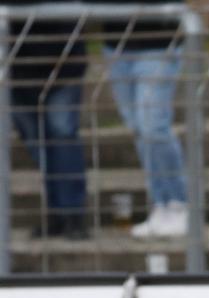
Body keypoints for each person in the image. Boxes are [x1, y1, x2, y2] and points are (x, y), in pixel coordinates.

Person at [99, 0, 188, 237]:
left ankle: (179, 202)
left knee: (153, 126)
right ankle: (160, 204)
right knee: (138, 128)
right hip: (116, 45)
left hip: (158, 43)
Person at [9, 1, 88, 239]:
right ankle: (57, 212)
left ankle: (73, 214)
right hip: (19, 70)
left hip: (62, 66)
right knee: (37, 141)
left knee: (62, 135)